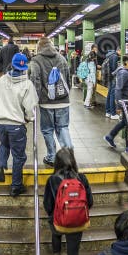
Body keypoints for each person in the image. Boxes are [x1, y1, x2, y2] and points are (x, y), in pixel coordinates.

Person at [44, 148, 93, 255]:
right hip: (77, 223)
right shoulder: (82, 178)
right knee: (74, 254)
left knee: (55, 232)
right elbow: (89, 201)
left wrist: (54, 215)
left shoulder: (53, 180)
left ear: (57, 163)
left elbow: (47, 204)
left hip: (58, 221)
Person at [0, 53, 37, 196]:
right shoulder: (27, 84)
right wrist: (29, 119)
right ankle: (16, 185)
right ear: (25, 67)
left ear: (12, 64)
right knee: (19, 156)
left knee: (4, 145)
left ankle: (0, 165)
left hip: (0, 123)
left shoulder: (1, 80)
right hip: (16, 125)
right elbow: (30, 108)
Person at [29, 36, 73, 167]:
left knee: (48, 129)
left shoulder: (36, 60)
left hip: (46, 102)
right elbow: (68, 79)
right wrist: (65, 94)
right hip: (63, 101)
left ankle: (52, 157)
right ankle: (69, 157)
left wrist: (34, 99)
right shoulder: (62, 58)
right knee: (63, 127)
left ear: (39, 47)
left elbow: (35, 80)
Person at [104, 53, 128, 153]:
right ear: (126, 62)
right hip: (125, 102)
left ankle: (110, 136)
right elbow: (118, 89)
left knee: (125, 122)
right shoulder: (124, 73)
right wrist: (118, 105)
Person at [102, 47, 120, 119]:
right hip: (113, 78)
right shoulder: (115, 56)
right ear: (119, 50)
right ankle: (113, 113)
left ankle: (108, 112)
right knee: (112, 95)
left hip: (109, 78)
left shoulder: (109, 55)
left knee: (109, 94)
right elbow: (114, 68)